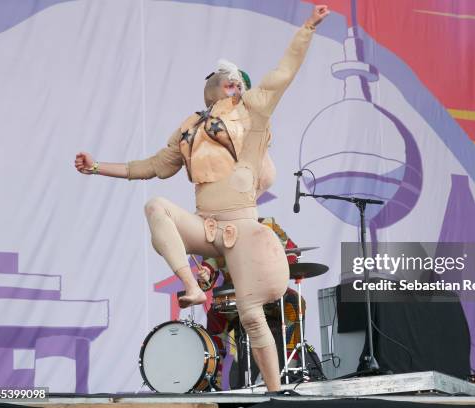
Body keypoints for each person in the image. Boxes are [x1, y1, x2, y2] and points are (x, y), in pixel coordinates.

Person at [74, 5, 330, 392]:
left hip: (243, 229)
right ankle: (192, 286)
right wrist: (96, 167)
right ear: (212, 85)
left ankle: (276, 392)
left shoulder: (251, 113)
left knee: (251, 316)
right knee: (156, 205)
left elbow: (282, 74)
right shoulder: (190, 127)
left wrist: (307, 28)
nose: (235, 87)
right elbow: (151, 166)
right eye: (228, 83)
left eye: (238, 83)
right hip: (207, 226)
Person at [199, 217, 306, 389]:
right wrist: (204, 276)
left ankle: (290, 363)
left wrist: (284, 261)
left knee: (295, 301)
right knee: (215, 314)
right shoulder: (217, 234)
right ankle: (214, 375)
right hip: (236, 298)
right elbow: (207, 274)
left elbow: (292, 251)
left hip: (269, 293)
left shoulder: (268, 224)